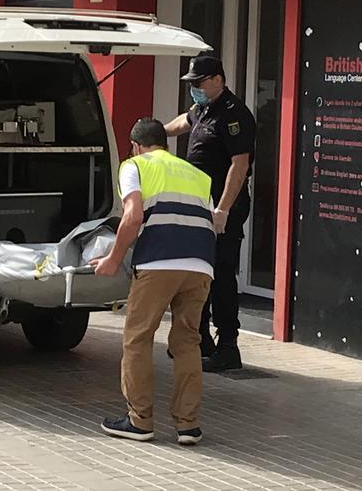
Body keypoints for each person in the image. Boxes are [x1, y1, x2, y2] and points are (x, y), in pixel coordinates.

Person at [93, 118, 216, 446]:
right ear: (165, 142)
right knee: (188, 342)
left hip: (160, 260)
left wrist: (113, 259)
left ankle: (139, 420)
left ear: (135, 145)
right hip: (201, 264)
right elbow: (214, 221)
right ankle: (188, 425)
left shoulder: (134, 166)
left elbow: (133, 216)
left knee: (138, 338)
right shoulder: (197, 174)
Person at [164, 56, 255, 372]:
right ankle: (199, 339)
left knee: (221, 275)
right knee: (197, 273)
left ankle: (228, 345)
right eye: (191, 84)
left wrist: (223, 210)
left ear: (217, 79)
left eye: (198, 83)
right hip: (200, 206)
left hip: (222, 210)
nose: (194, 89)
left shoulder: (234, 115)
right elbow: (183, 122)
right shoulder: (204, 109)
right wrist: (156, 133)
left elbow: (239, 164)